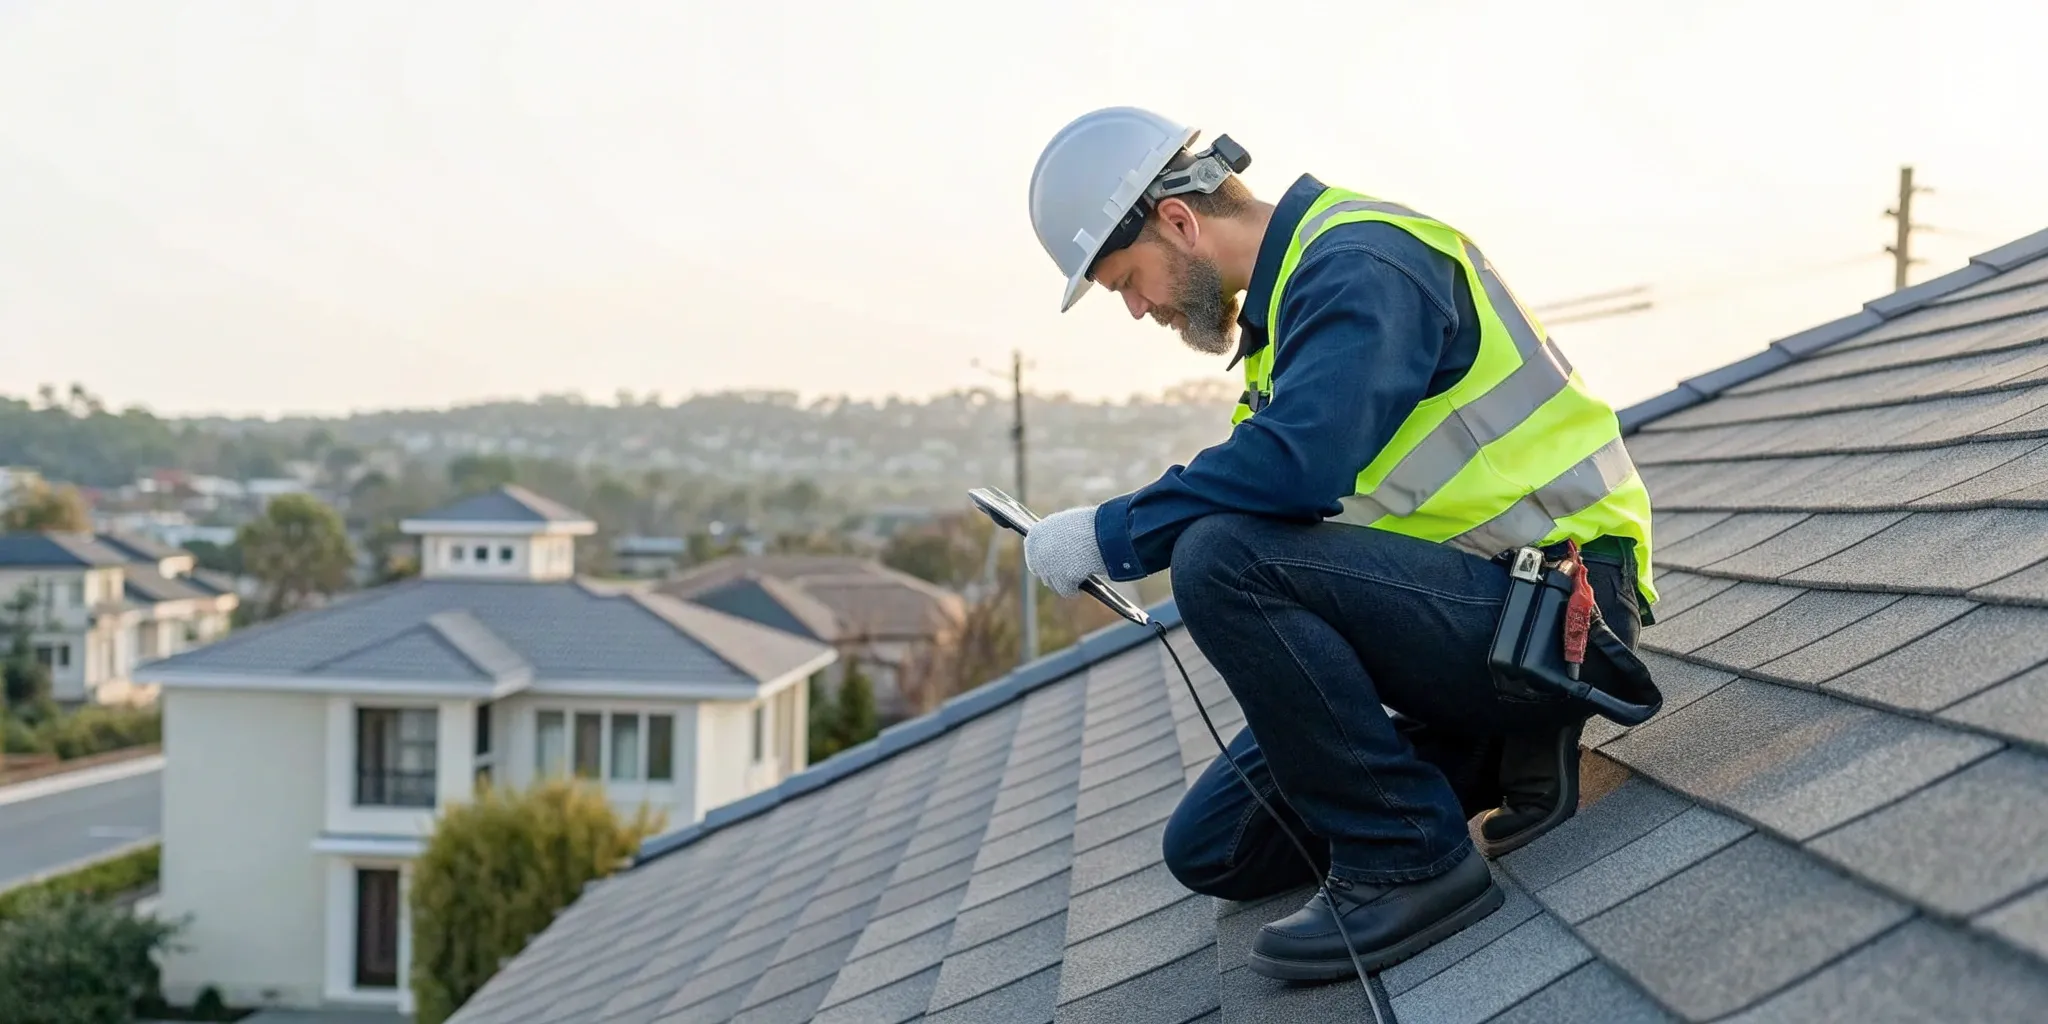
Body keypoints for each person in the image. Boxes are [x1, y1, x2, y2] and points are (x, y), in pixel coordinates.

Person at [1019, 107, 1658, 982]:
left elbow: (1291, 474)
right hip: (1473, 616)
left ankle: (1412, 857)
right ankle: (1508, 738)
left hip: (1566, 610)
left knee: (1216, 557)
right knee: (1216, 848)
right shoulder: (1284, 329)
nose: (1135, 309)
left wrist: (1111, 533)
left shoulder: (1361, 263)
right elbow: (1292, 517)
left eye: (1127, 279)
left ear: (1178, 221)